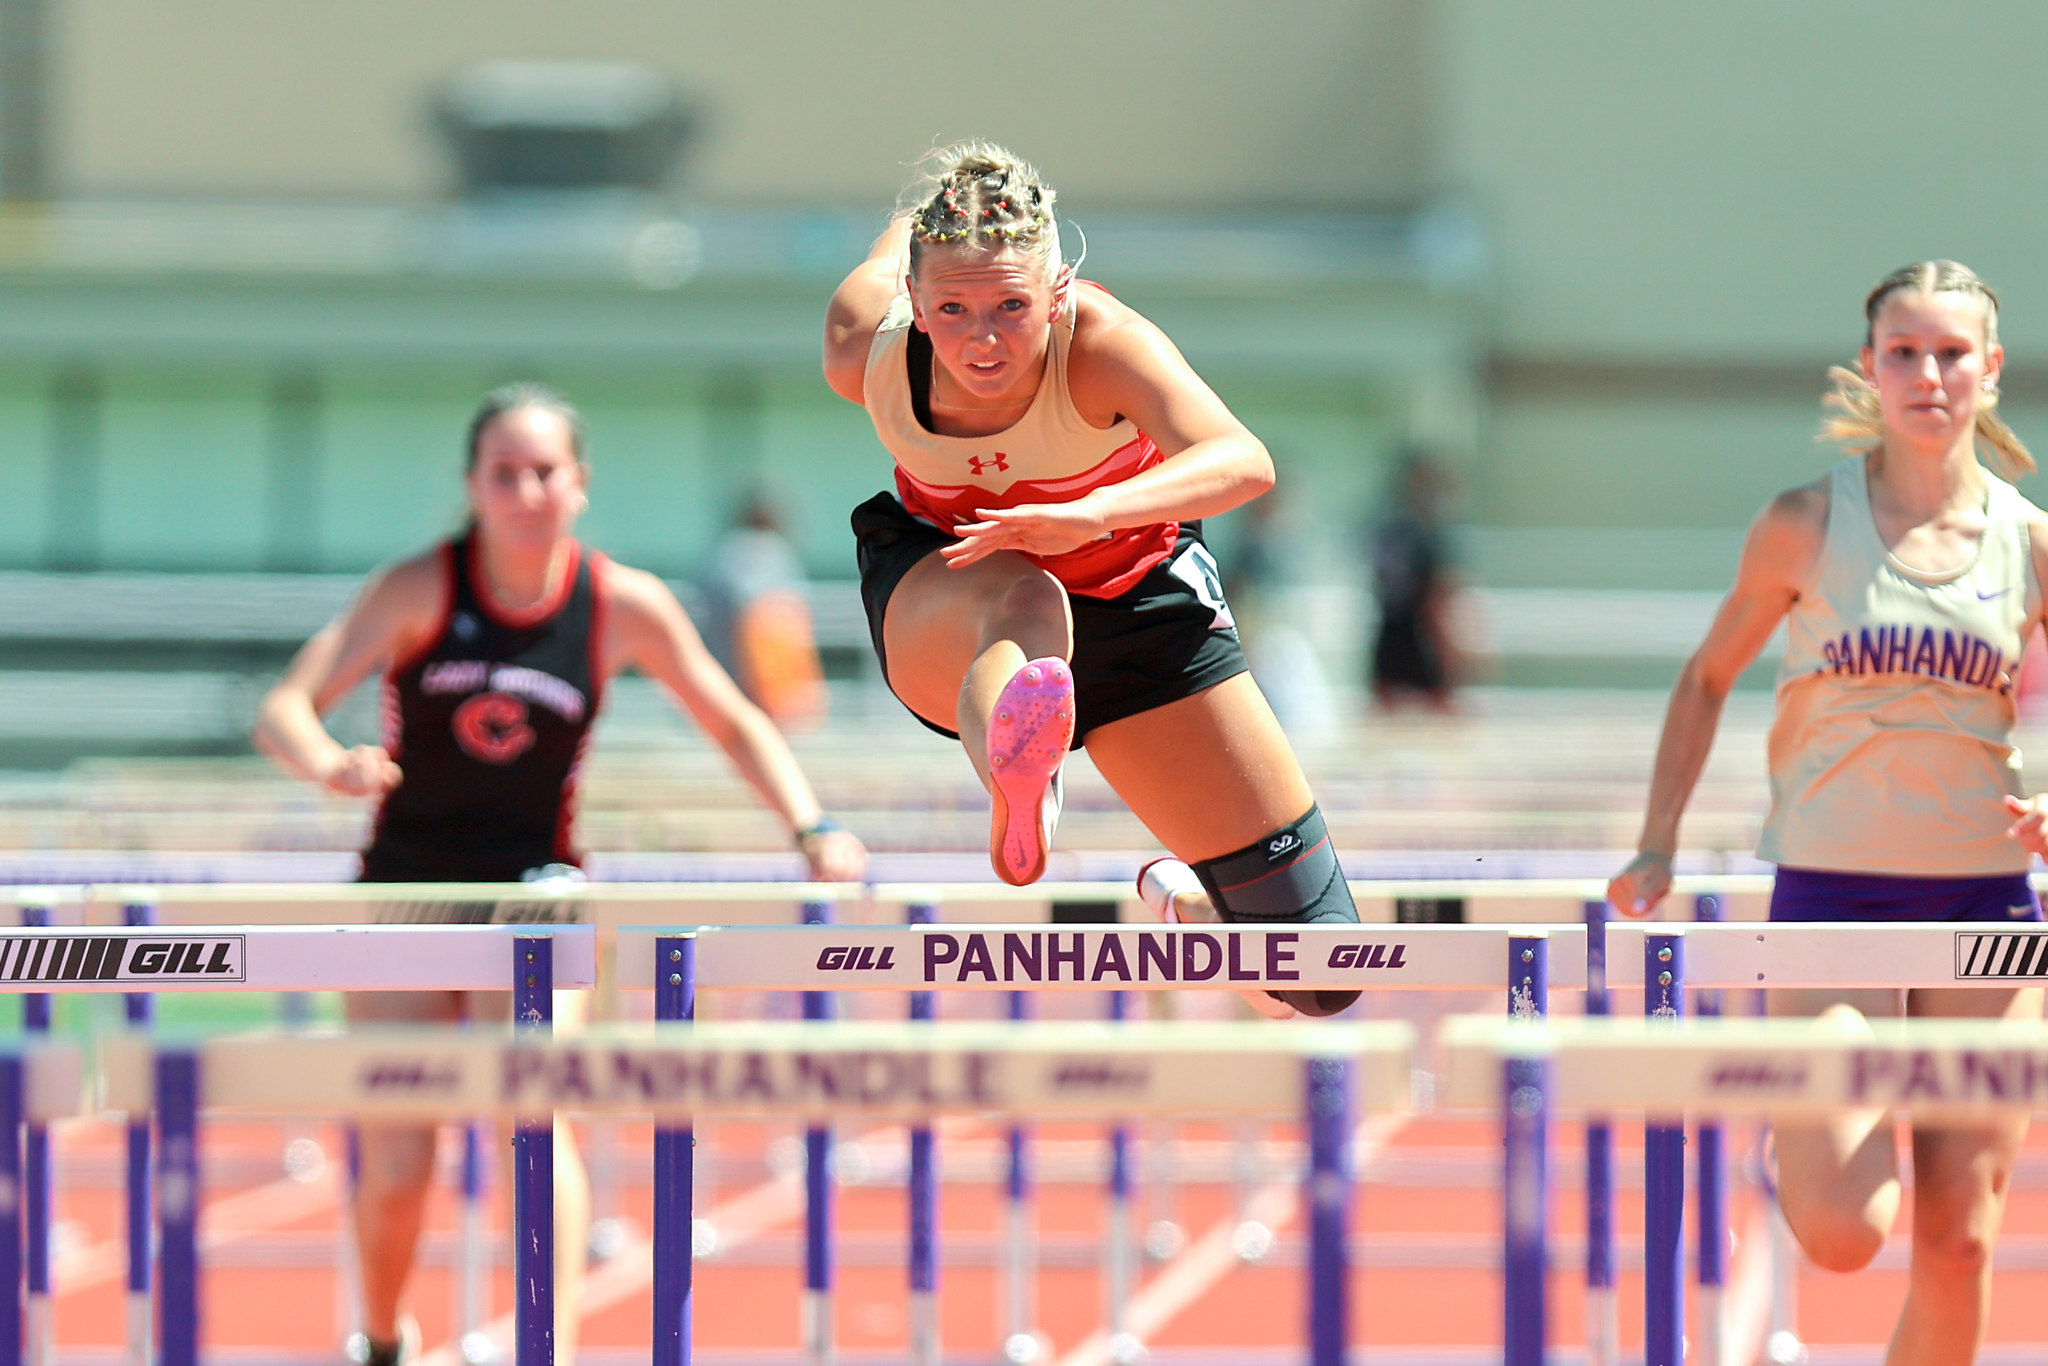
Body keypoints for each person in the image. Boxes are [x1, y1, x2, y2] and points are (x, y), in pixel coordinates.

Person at [253, 383, 867, 1366]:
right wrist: (328, 760)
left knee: (534, 1115)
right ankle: (379, 1338)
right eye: (505, 474)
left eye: (545, 472)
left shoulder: (618, 603)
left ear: (578, 484)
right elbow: (284, 704)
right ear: (473, 487)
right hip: (404, 892)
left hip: (537, 892)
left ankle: (555, 1350)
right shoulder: (419, 587)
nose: (526, 491)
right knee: (401, 1153)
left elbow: (733, 719)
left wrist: (811, 823)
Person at [1608, 261, 2047, 1366]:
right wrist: (1657, 840)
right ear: (1869, 367)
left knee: (1959, 1243)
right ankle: (1798, 1140)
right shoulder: (1803, 525)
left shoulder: (2028, 543)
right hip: (1830, 897)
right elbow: (1707, 676)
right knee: (1846, 1231)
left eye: (1951, 353)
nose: (1927, 374)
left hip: (1985, 907)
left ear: (1988, 370)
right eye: (1902, 352)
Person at [822, 140, 1358, 1017]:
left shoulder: (1104, 345)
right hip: (956, 596)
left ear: (1059, 293)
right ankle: (1017, 778)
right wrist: (936, 199)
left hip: (1138, 608)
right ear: (913, 303)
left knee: (1322, 969)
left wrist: (1090, 514)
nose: (982, 340)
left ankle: (1189, 903)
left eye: (1010, 307)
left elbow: (1243, 459)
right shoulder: (864, 346)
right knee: (1025, 593)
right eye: (951, 309)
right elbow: (894, 249)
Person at [1369, 450, 1460, 711]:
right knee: (1444, 712)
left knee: (1386, 711)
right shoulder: (1425, 532)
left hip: (1393, 629)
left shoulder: (1390, 528)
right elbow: (1435, 596)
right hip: (1417, 632)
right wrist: (1449, 652)